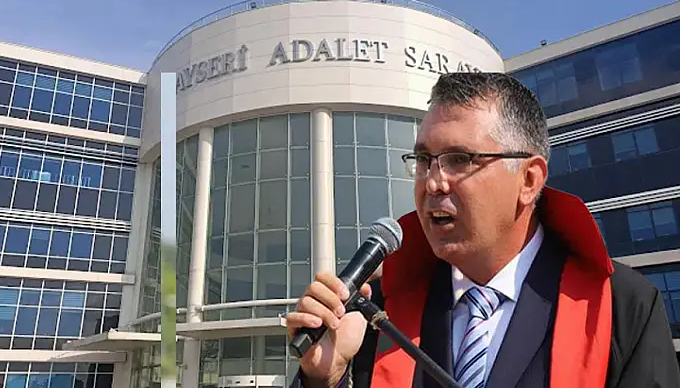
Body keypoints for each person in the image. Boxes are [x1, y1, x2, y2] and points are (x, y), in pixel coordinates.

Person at [285, 72, 680, 388]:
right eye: (423, 160)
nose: (432, 182)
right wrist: (325, 378)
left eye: (459, 159)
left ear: (529, 180)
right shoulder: (376, 315)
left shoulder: (619, 306)